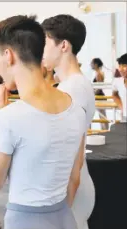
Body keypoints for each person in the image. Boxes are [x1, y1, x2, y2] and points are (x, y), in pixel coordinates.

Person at [0, 15, 86, 229]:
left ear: (8, 56)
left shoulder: (9, 116)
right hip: (64, 217)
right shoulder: (75, 108)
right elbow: (74, 178)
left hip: (26, 220)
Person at [41, 14, 96, 229]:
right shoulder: (70, 84)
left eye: (44, 44)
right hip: (71, 185)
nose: (39, 51)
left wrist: (64, 205)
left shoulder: (72, 89)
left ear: (63, 45)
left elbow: (74, 154)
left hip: (71, 188)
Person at [112, 53, 127, 122]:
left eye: (124, 66)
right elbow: (114, 95)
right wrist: (122, 108)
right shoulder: (117, 81)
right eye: (119, 66)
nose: (120, 69)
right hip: (124, 118)